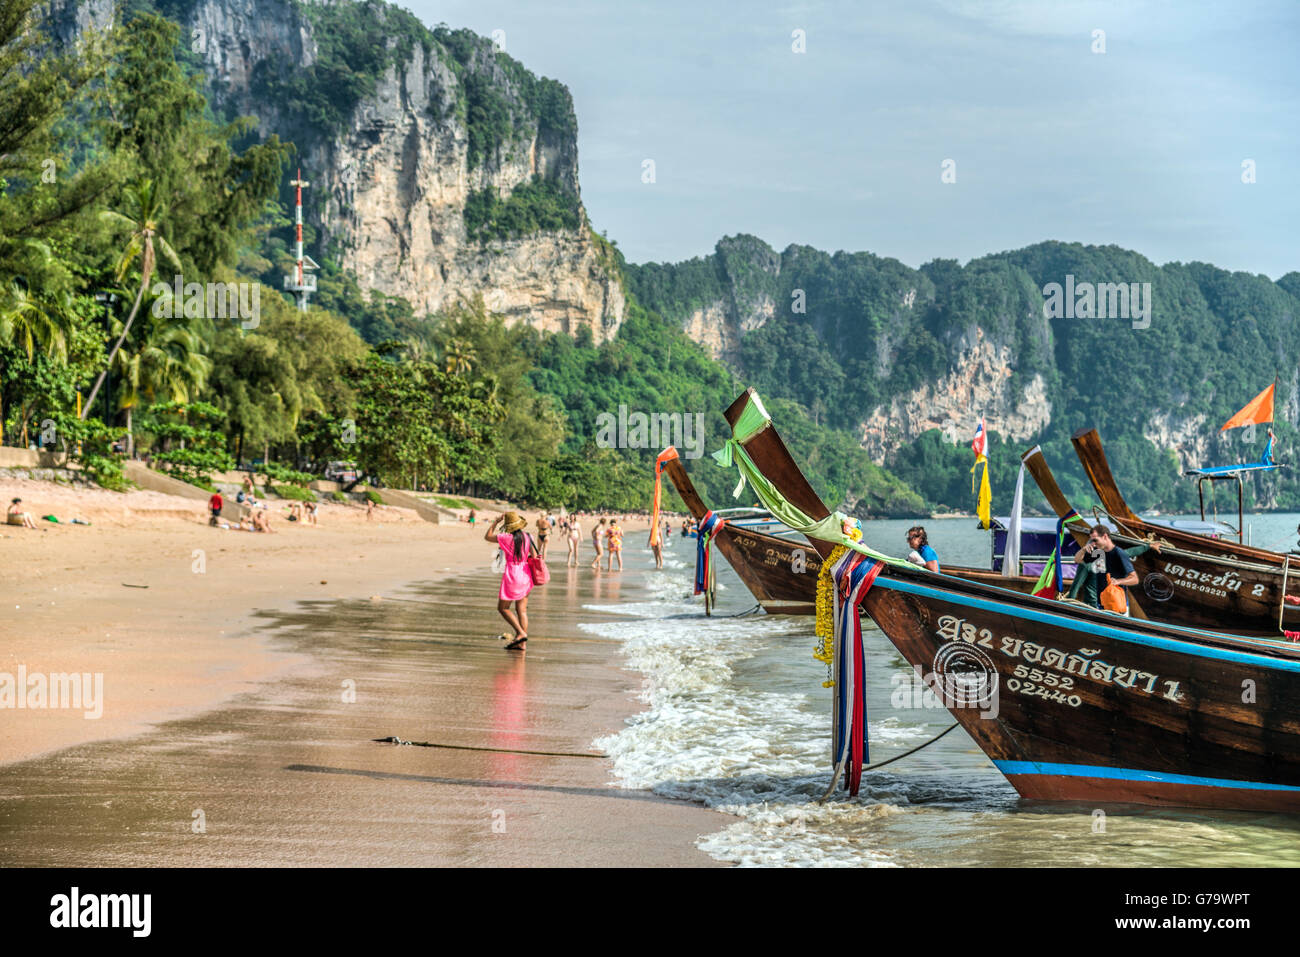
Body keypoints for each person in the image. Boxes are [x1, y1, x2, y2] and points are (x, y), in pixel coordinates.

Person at [487, 512, 533, 650]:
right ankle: (522, 644)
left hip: (513, 574)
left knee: (503, 608)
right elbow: (535, 556)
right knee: (522, 610)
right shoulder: (528, 536)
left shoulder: (506, 538)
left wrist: (495, 522)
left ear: (508, 526)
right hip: (526, 574)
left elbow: (487, 536)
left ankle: (520, 633)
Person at [1072, 524, 1140, 613]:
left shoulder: (1119, 553)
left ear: (1105, 536)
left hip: (1118, 605)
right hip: (1102, 604)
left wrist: (1118, 581)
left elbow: (1135, 579)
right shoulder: (1098, 552)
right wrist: (1083, 550)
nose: (1093, 543)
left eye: (1095, 540)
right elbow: (1077, 560)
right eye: (1092, 540)